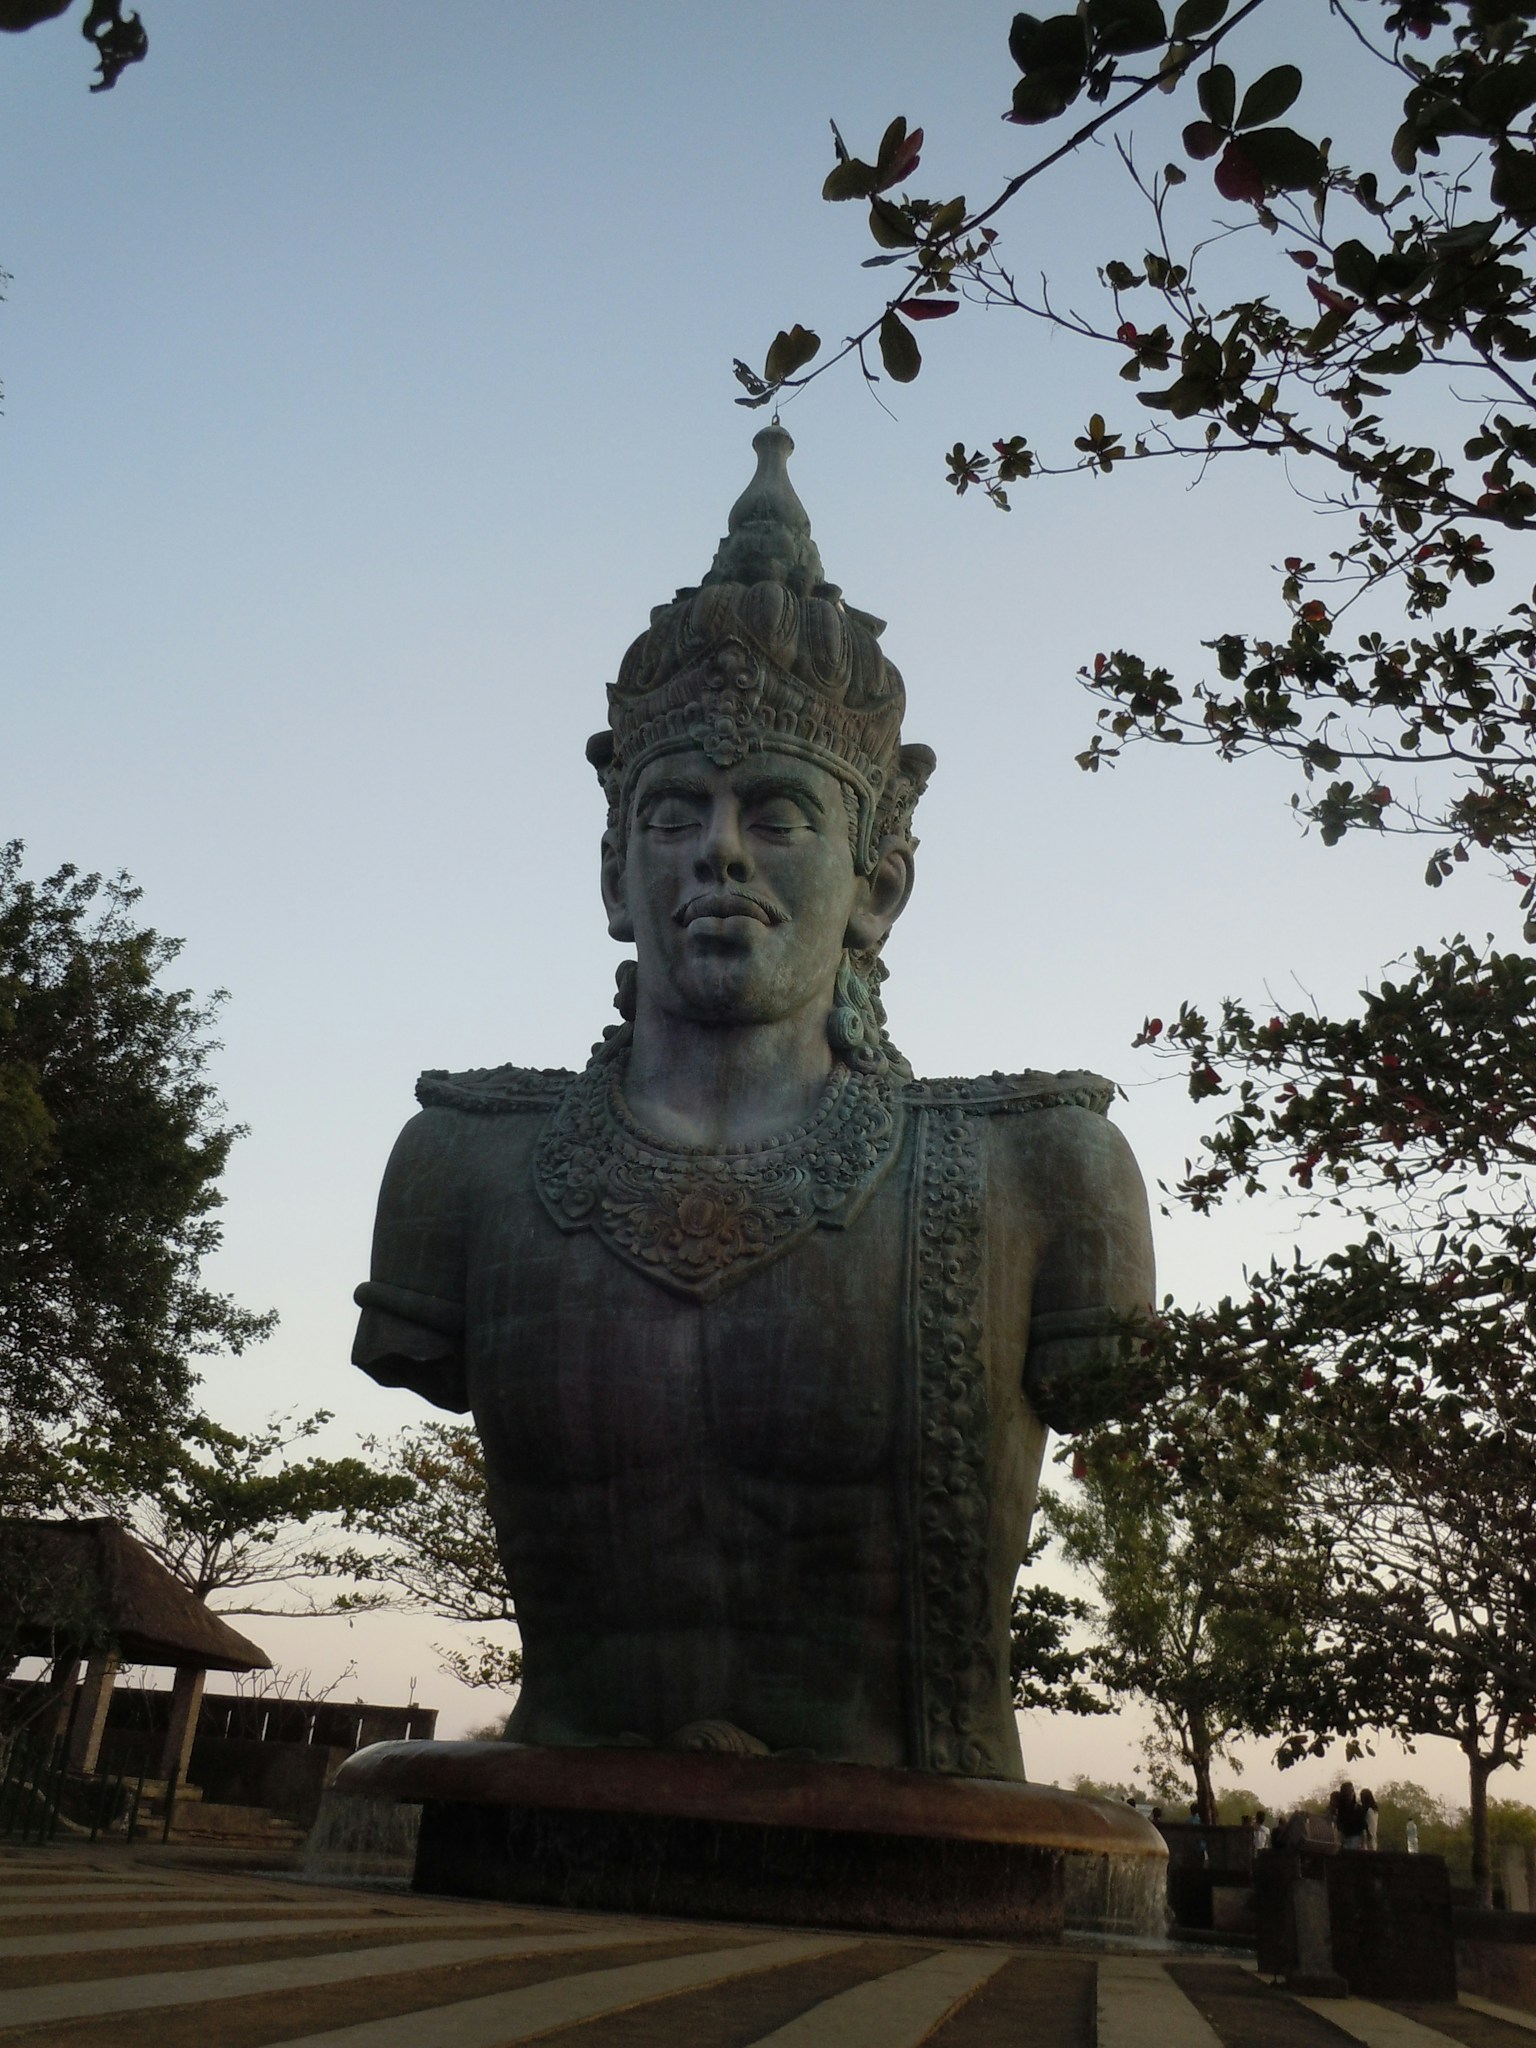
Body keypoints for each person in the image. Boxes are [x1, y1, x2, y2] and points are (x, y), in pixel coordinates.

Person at [352, 426, 1156, 1780]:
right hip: (540, 1825)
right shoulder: (461, 1168)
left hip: (916, 1846)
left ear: (879, 882)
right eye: (677, 813)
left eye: (777, 812)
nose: (720, 851)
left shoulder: (1044, 1173)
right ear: (618, 874)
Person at [1330, 1780, 1366, 1849]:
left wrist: (1363, 1843)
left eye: (1352, 1791)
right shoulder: (1340, 1809)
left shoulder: (1358, 1808)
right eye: (1348, 1791)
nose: (1350, 1793)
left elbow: (1363, 1828)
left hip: (1355, 1838)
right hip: (1343, 1838)